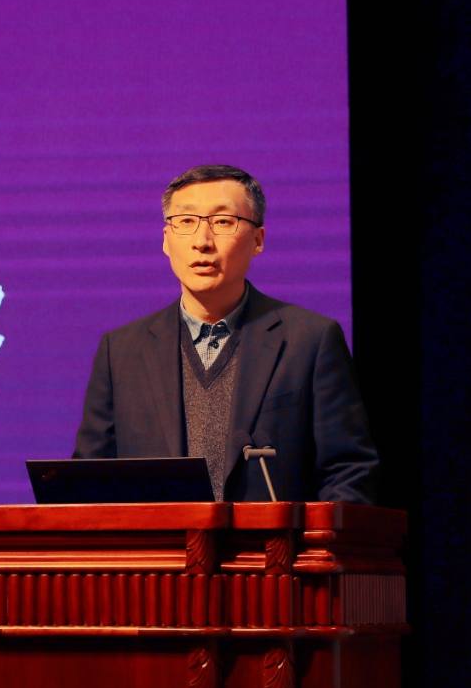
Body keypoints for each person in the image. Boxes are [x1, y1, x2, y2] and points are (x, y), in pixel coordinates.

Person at [73, 165, 378, 504]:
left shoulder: (310, 340)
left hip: (276, 540)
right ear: (166, 240)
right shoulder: (121, 351)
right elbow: (89, 484)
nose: (202, 242)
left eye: (222, 222)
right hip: (161, 541)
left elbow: (348, 472)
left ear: (258, 240)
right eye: (186, 221)